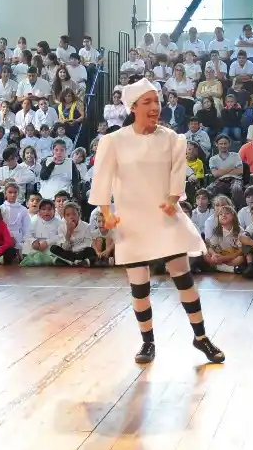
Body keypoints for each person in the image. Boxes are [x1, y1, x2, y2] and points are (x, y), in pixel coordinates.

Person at [89, 79, 224, 365]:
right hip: (131, 221)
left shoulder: (173, 139)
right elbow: (101, 180)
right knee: (139, 286)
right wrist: (106, 211)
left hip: (165, 216)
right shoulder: (113, 141)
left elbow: (177, 175)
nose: (154, 107)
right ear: (133, 107)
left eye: (157, 101)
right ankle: (147, 341)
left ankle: (201, 337)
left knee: (183, 277)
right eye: (147, 102)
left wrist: (174, 200)